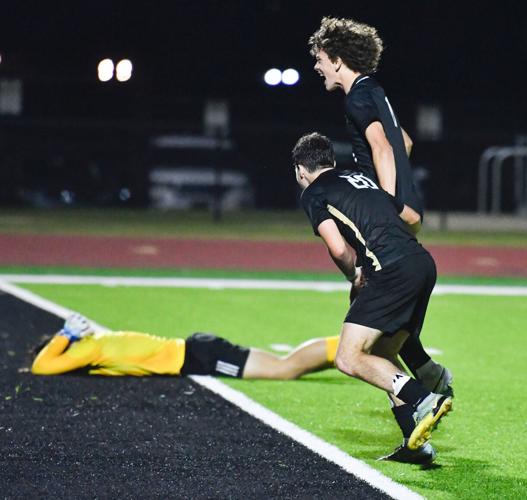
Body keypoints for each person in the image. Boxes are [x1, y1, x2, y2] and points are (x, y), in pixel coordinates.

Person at [308, 16, 452, 406]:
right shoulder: (374, 91)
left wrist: (385, 202)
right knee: (382, 316)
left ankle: (424, 383)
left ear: (337, 59)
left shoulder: (356, 96)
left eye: (320, 58)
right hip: (409, 208)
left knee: (365, 316)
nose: (317, 66)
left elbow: (384, 147)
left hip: (394, 211)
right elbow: (403, 141)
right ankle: (422, 381)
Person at [293, 132, 452, 464]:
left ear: (300, 170)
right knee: (381, 353)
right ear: (331, 161)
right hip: (421, 263)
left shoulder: (313, 192)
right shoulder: (361, 179)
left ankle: (425, 397)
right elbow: (411, 218)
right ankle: (415, 441)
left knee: (348, 358)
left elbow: (338, 248)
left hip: (392, 271)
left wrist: (355, 274)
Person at [32, 313, 337, 379]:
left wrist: (64, 335)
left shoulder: (87, 350)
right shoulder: (96, 346)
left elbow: (41, 366)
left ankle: (345, 350)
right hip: (197, 350)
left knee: (285, 370)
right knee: (286, 366)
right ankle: (343, 353)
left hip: (200, 356)